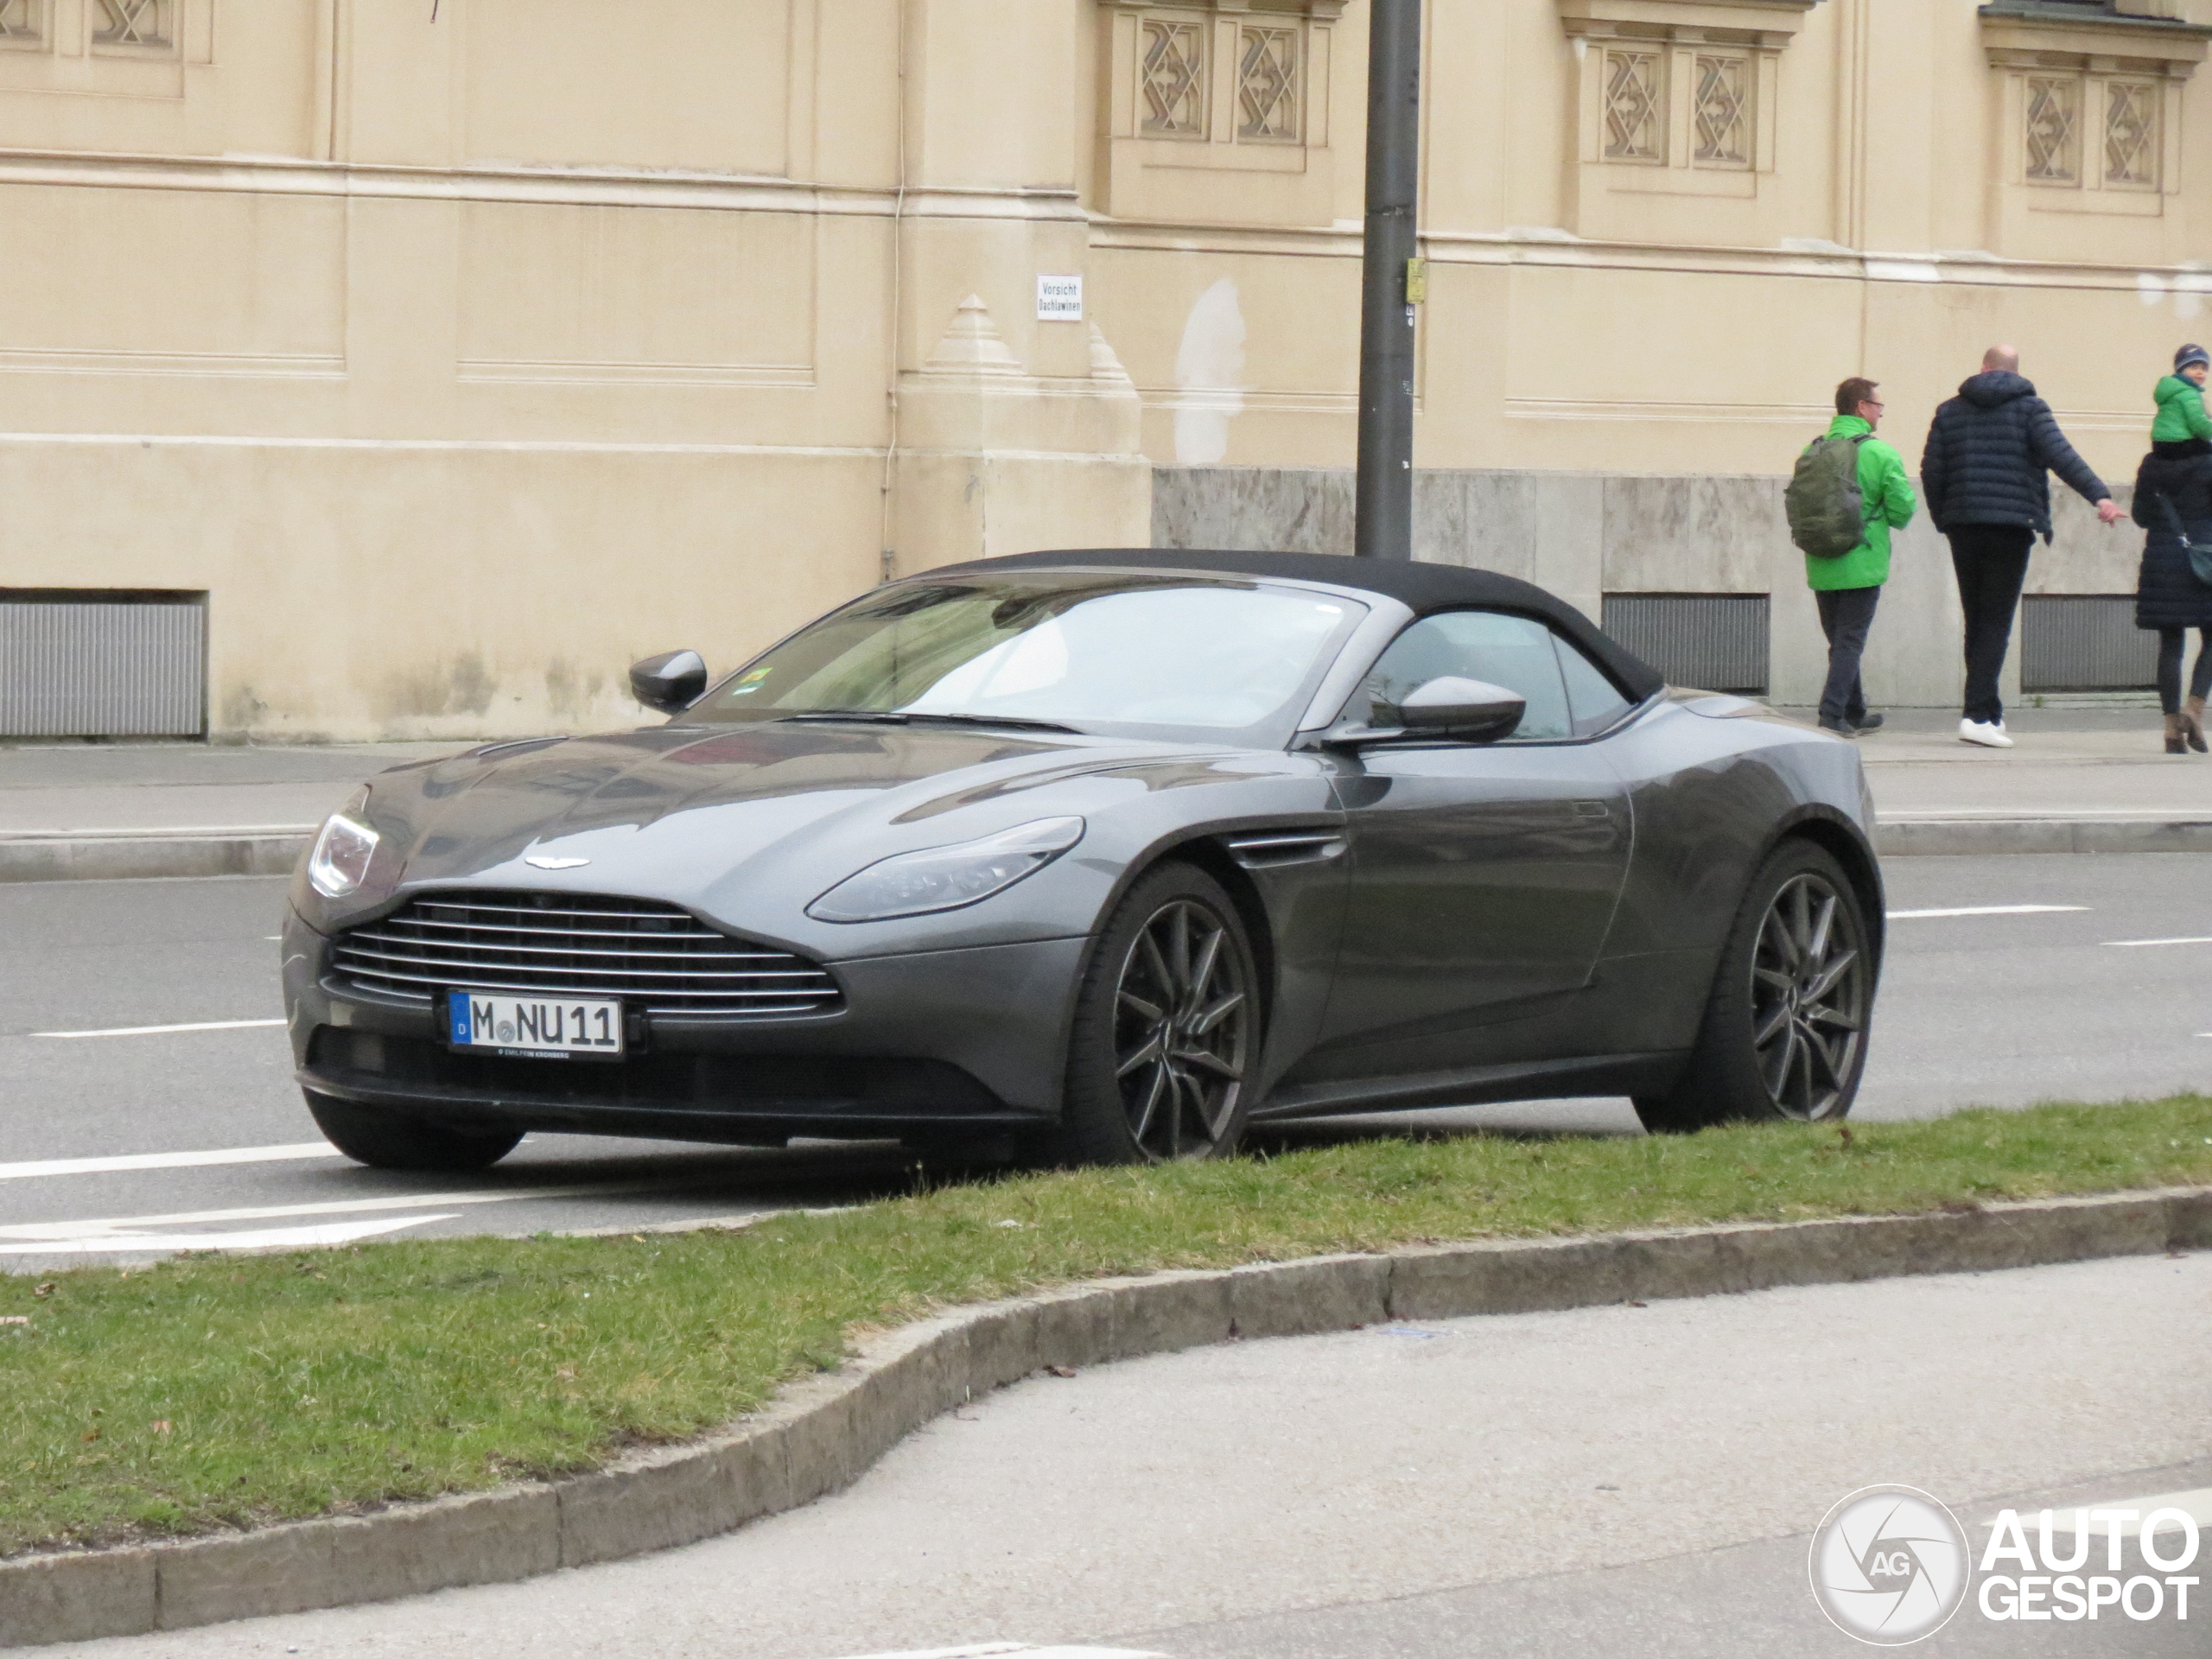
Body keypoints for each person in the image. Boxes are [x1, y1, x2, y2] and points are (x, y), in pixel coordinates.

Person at [1920, 345, 2126, 748]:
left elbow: (1932, 470)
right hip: (2011, 527)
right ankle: (1977, 717)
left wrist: (1944, 517)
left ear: (1982, 368)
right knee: (1996, 620)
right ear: (2016, 372)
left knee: (1977, 619)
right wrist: (2100, 497)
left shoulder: (1949, 411)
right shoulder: (2031, 409)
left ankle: (1988, 711)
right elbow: (2063, 457)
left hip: (1964, 525)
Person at [1802, 377, 1916, 737]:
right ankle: (1831, 714)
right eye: (1878, 406)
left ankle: (1855, 711)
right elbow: (1903, 510)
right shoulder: (1880, 453)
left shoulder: (1813, 450)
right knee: (1850, 641)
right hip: (1862, 561)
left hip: (1820, 559)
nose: (1881, 413)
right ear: (1861, 407)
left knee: (1839, 640)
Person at [2130, 441, 2212, 753]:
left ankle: (2171, 730)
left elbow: (2140, 514)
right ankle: (2194, 710)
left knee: (2171, 643)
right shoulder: (2208, 462)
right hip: (2203, 558)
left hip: (2163, 556)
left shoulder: (2151, 463)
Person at [2152, 343, 2212, 458]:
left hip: (2159, 442)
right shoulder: (2188, 393)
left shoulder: (2171, 390)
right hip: (2179, 443)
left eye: (2204, 368)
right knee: (2207, 449)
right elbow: (2198, 423)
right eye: (2194, 367)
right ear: (2181, 370)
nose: (2200, 372)